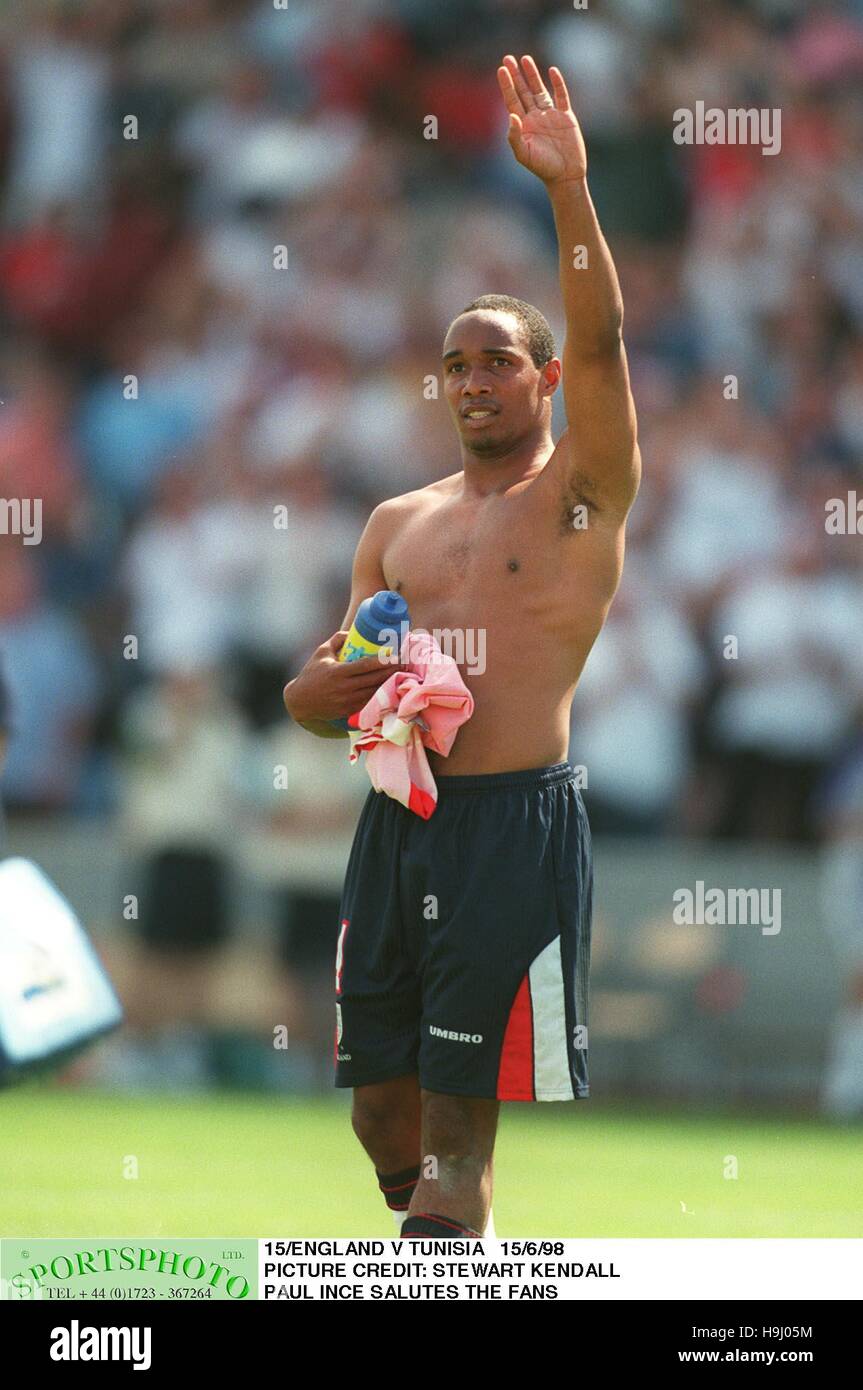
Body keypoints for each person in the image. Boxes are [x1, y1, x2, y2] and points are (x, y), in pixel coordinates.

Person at [283, 55, 640, 1240]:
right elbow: (334, 682)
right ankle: (450, 1241)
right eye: (454, 363)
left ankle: (448, 1245)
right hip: (399, 830)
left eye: (497, 359)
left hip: (512, 833)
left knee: (449, 1139)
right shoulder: (399, 524)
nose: (472, 379)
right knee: (380, 1120)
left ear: (540, 379)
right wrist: (314, 689)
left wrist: (567, 189)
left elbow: (604, 344)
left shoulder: (580, 495)